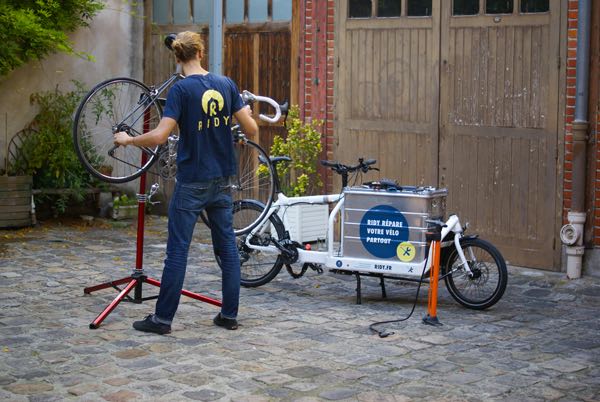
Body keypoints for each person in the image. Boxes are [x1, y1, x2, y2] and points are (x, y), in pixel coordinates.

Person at [114, 31, 258, 334]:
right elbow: (252, 129)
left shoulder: (181, 91)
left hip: (192, 179)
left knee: (178, 251)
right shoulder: (226, 84)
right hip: (222, 179)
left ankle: (162, 320)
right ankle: (229, 316)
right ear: (201, 53)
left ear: (177, 57)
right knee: (228, 249)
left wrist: (128, 140)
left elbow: (159, 136)